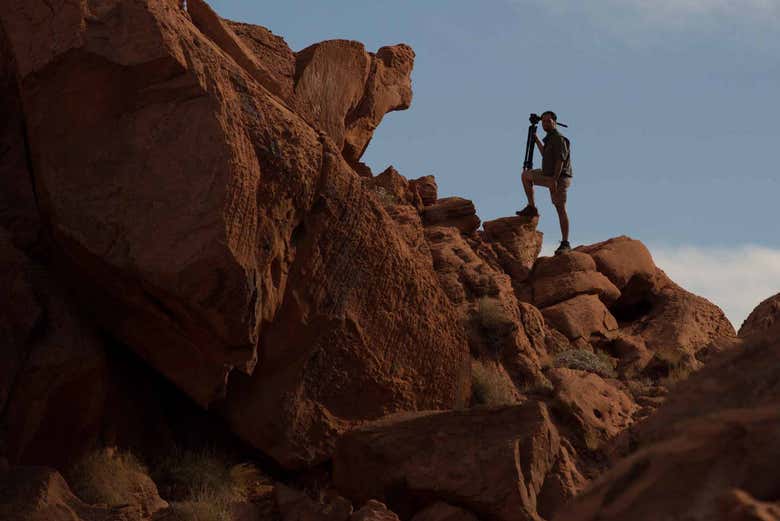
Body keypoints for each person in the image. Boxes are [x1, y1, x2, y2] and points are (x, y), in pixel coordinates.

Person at [516, 110, 573, 255]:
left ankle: (565, 242)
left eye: (548, 121)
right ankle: (532, 207)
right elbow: (545, 155)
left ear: (555, 122)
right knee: (525, 176)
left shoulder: (559, 138)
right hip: (548, 174)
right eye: (543, 121)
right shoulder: (549, 138)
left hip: (559, 178)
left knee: (560, 208)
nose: (545, 124)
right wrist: (535, 139)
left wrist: (554, 180)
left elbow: (560, 161)